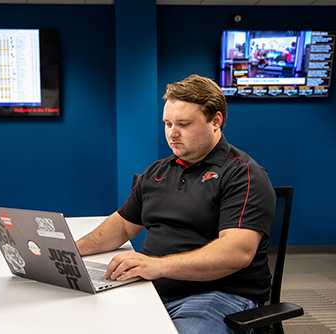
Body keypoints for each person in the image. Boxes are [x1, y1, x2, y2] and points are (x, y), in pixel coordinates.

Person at [76, 74, 276, 334]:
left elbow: (237, 252)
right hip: (149, 289)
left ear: (216, 121)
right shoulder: (158, 171)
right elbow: (123, 226)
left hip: (217, 295)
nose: (172, 133)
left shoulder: (243, 174)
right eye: (167, 123)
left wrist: (160, 266)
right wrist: (71, 251)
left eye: (183, 123)